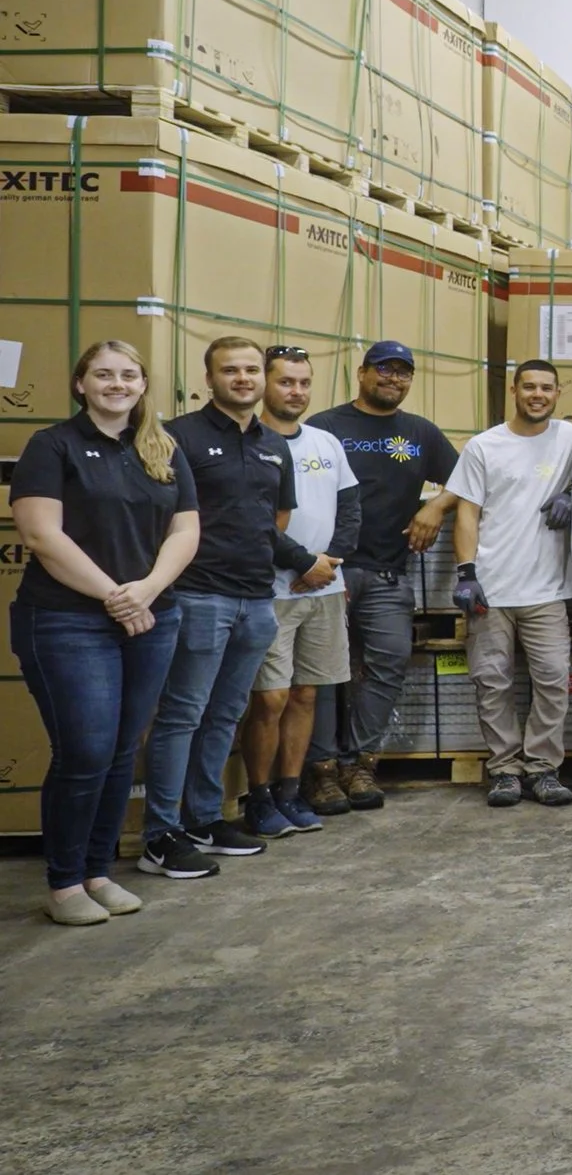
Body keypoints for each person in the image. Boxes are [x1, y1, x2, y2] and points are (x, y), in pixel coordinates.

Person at [8, 340, 201, 922]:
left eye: (128, 375)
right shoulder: (52, 446)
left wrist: (147, 590)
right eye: (104, 374)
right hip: (67, 620)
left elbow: (186, 531)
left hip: (152, 616)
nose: (117, 384)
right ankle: (65, 884)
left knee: (120, 751)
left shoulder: (162, 448)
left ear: (143, 384)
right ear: (80, 384)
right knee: (85, 751)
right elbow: (41, 535)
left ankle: (98, 872)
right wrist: (117, 597)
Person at [143, 337, 308, 873]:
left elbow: (274, 520)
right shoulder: (179, 437)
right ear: (209, 378)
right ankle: (160, 833)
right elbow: (160, 518)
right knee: (182, 715)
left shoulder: (273, 444)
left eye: (251, 370)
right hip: (197, 596)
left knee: (225, 714)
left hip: (257, 599)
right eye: (230, 370)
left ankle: (204, 819)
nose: (243, 379)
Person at [304, 340, 456, 815]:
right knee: (324, 674)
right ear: (362, 372)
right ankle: (322, 769)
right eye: (384, 369)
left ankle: (360, 763)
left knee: (389, 664)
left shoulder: (420, 432)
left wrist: (436, 506)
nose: (393, 379)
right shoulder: (325, 427)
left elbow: (467, 478)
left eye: (402, 372)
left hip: (389, 573)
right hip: (328, 573)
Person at [445, 361, 572, 808]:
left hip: (547, 590)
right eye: (529, 387)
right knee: (492, 681)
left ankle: (543, 768)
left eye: (546, 388)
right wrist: (467, 573)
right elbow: (467, 513)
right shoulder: (484, 446)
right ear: (514, 391)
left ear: (558, 393)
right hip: (491, 588)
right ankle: (505, 769)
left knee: (553, 679)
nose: (537, 395)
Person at [238, 348, 360, 838]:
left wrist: (328, 563)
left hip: (325, 588)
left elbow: (350, 510)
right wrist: (302, 564)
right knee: (270, 698)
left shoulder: (326, 442)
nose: (296, 391)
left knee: (307, 694)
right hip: (272, 590)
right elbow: (253, 522)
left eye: (304, 383)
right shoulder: (251, 444)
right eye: (286, 382)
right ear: (265, 385)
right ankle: (259, 797)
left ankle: (290, 792)